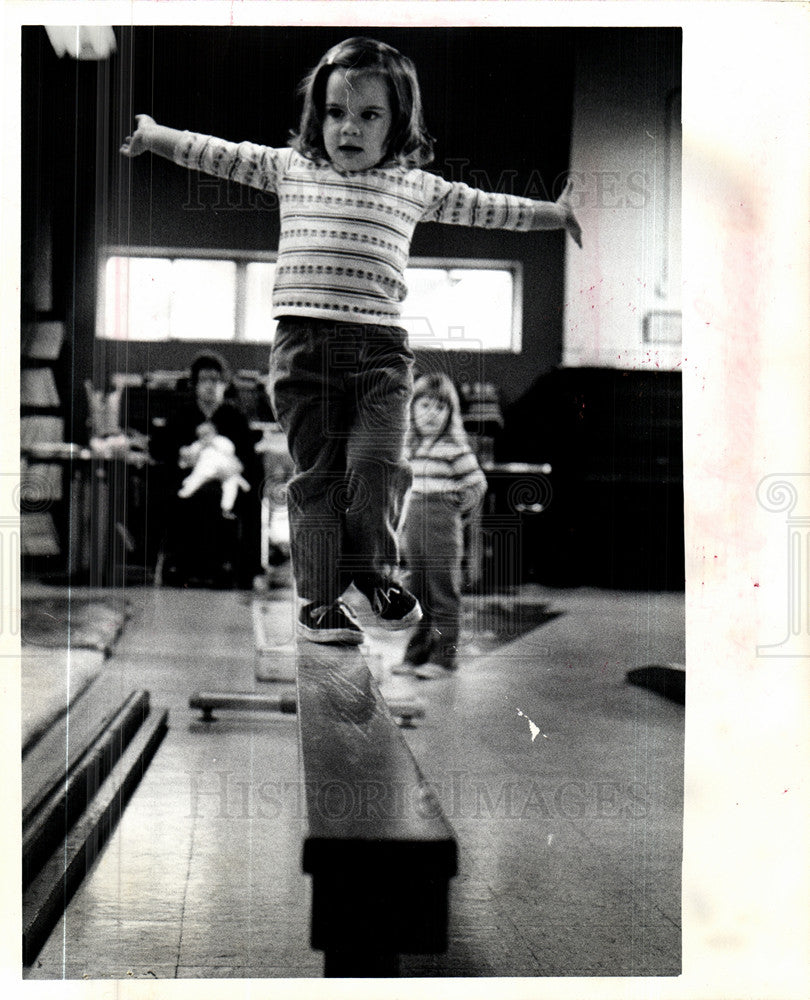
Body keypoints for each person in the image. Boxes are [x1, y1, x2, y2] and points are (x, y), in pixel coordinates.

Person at [120, 36, 582, 643]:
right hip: (303, 349)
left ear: (396, 124)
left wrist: (553, 213)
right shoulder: (293, 168)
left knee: (377, 469)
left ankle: (372, 573)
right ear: (318, 115)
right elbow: (220, 155)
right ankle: (318, 603)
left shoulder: (413, 185)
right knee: (318, 478)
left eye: (369, 115)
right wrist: (156, 136)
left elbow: (483, 207)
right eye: (336, 112)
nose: (349, 128)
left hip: (379, 357)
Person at [396, 373, 488, 679]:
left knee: (443, 595)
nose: (431, 414)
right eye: (424, 405)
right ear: (412, 409)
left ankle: (444, 658)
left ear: (450, 414)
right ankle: (416, 654)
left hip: (442, 531)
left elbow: (476, 485)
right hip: (415, 530)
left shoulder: (455, 449)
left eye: (440, 407)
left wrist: (455, 511)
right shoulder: (412, 449)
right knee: (418, 594)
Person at [151, 353, 261, 588]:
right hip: (189, 478)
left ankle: (228, 567)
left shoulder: (235, 417)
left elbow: (249, 458)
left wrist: (233, 467)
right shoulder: (182, 415)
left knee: (234, 498)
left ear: (225, 384)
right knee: (184, 496)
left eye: (216, 380)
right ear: (196, 384)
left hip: (227, 479)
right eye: (205, 380)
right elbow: (161, 449)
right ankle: (184, 566)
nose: (210, 386)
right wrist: (183, 457)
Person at [177, 421, 251, 517]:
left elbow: (230, 453)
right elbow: (188, 457)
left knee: (231, 484)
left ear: (214, 432)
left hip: (224, 468)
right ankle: (186, 492)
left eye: (207, 434)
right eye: (202, 435)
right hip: (205, 469)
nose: (205, 437)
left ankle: (226, 508)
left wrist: (214, 445)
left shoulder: (222, 441)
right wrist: (187, 452)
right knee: (195, 478)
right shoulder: (198, 445)